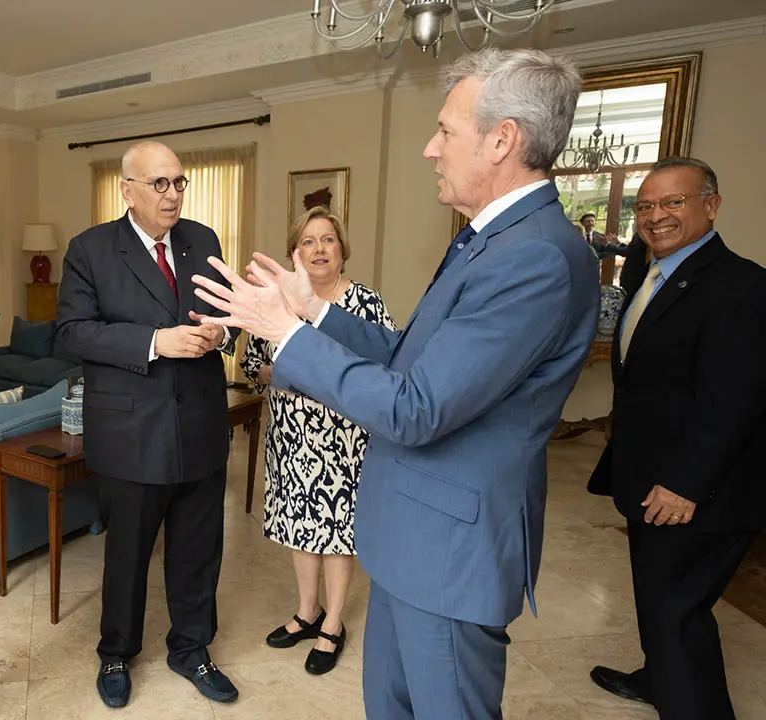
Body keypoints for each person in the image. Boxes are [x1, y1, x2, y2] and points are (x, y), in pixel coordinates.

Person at [192, 48, 599, 719]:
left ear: (503, 141)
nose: (429, 149)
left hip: (449, 554)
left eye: (445, 131)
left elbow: (415, 407)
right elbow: (409, 356)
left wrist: (287, 337)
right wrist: (314, 312)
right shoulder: (487, 241)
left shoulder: (533, 258)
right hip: (415, 541)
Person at [55, 141, 239, 708]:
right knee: (128, 555)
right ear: (127, 190)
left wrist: (222, 335)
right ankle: (116, 653)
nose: (172, 194)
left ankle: (192, 649)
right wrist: (156, 342)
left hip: (203, 425)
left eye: (179, 182)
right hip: (133, 434)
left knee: (198, 551)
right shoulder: (90, 250)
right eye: (158, 183)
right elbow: (70, 334)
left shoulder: (202, 239)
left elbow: (228, 313)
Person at [586, 156, 766, 719]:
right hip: (653, 479)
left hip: (697, 492)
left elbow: (735, 400)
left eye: (673, 202)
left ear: (710, 205)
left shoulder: (741, 286)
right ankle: (659, 678)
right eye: (645, 205)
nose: (656, 216)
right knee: (661, 602)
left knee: (676, 613)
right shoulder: (649, 272)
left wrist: (684, 485)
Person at [241, 206, 394, 676]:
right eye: (308, 241)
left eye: (327, 239)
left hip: (344, 439)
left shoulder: (366, 304)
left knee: (336, 535)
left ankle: (333, 623)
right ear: (294, 252)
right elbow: (252, 366)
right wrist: (286, 372)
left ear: (342, 249)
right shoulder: (277, 301)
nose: (319, 249)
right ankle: (306, 611)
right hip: (291, 434)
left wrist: (319, 373)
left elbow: (387, 366)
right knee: (298, 526)